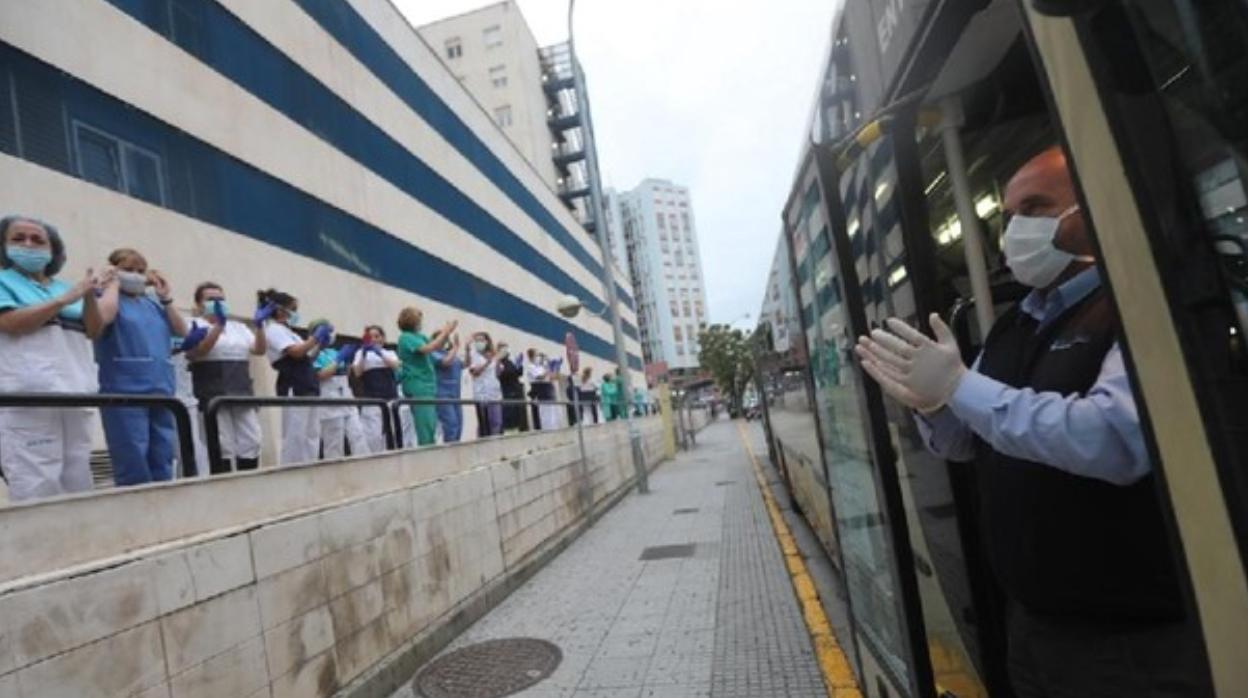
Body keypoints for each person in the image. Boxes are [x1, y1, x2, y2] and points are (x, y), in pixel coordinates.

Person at [855, 146, 1209, 697]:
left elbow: (1115, 439)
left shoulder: (1136, 302)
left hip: (1132, 638)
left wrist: (959, 386)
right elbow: (968, 443)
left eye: (1036, 208)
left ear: (1092, 207)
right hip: (1032, 627)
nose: (1015, 228)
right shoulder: (1013, 324)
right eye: (1009, 214)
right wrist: (930, 404)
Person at [0, 216, 103, 501]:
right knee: (36, 480)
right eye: (18, 239)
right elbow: (13, 324)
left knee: (78, 475)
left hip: (75, 391)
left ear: (52, 249)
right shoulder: (3, 281)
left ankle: (80, 541)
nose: (28, 245)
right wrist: (65, 300)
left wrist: (90, 296)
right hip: (29, 395)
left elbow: (93, 330)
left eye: (37, 240)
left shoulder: (65, 287)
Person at [93, 248, 188, 486]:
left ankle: (164, 509)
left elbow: (182, 330)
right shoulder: (104, 298)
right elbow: (103, 318)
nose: (135, 275)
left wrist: (165, 298)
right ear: (114, 270)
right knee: (132, 456)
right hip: (124, 389)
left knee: (163, 455)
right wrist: (112, 284)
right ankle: (135, 512)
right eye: (128, 270)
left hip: (161, 387)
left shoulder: (153, 304)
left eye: (140, 271)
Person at [184, 282, 270, 473]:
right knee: (222, 442)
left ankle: (248, 483)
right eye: (211, 299)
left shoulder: (238, 327)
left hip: (241, 389)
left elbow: (259, 349)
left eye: (220, 299)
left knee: (251, 439)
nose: (217, 303)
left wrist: (260, 327)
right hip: (211, 390)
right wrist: (217, 327)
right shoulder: (194, 324)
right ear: (199, 304)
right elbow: (199, 351)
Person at [260, 288, 329, 464]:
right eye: (293, 309)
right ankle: (292, 470)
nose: (295, 314)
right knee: (295, 435)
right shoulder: (273, 330)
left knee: (311, 434)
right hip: (293, 385)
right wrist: (314, 338)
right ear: (280, 310)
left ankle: (311, 467)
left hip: (308, 384)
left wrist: (319, 345)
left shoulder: (290, 331)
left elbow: (307, 356)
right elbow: (296, 353)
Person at [396, 307, 456, 446]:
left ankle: (429, 448)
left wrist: (446, 334)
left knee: (431, 423)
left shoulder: (420, 337)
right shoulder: (406, 337)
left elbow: (435, 345)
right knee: (425, 424)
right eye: (419, 319)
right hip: (417, 385)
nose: (421, 322)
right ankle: (426, 453)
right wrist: (445, 332)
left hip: (427, 385)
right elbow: (427, 349)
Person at [309, 320, 369, 459]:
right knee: (334, 442)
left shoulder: (333, 351)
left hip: (346, 397)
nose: (329, 335)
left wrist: (347, 361)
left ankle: (365, 465)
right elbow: (321, 375)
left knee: (358, 434)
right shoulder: (313, 354)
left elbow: (345, 374)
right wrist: (339, 359)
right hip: (329, 401)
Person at [353, 325, 400, 453]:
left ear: (383, 338)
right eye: (370, 337)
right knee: (373, 435)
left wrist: (379, 353)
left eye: (377, 336)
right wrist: (364, 353)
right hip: (371, 398)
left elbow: (396, 365)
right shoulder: (360, 353)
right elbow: (357, 372)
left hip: (390, 397)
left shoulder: (389, 353)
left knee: (391, 432)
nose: (374, 339)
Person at [468, 332, 503, 437]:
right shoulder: (473, 355)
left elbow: (497, 373)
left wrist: (497, 361)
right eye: (477, 340)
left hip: (494, 393)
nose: (479, 342)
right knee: (484, 425)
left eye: (482, 340)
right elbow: (475, 373)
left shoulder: (492, 355)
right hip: (481, 394)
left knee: (496, 422)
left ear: (487, 342)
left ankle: (496, 446)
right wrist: (487, 362)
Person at [431, 333, 464, 443]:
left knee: (459, 426)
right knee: (451, 425)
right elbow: (446, 362)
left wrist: (467, 350)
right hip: (442, 395)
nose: (444, 341)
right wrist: (455, 347)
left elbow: (464, 364)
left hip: (456, 396)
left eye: (445, 339)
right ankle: (448, 453)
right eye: (441, 339)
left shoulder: (450, 353)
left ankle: (455, 452)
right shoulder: (433, 354)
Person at [496, 342, 527, 432]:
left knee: (518, 415)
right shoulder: (499, 362)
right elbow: (503, 375)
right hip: (507, 391)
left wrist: (520, 365)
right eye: (503, 348)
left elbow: (517, 374)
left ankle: (518, 429)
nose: (506, 350)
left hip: (516, 390)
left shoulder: (509, 362)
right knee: (509, 415)